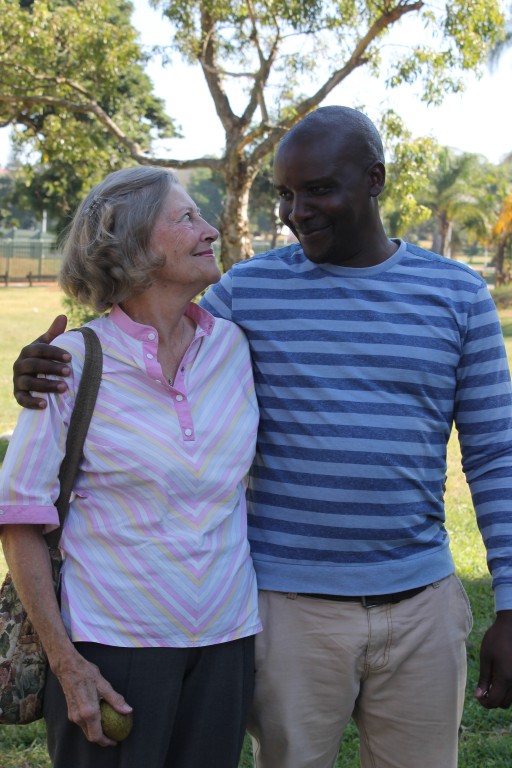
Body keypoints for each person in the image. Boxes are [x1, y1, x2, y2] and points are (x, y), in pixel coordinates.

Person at [11, 106, 512, 768]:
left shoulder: (457, 295)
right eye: (285, 193)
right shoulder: (246, 293)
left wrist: (509, 602)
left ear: (375, 180)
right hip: (285, 613)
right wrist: (41, 366)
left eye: (318, 190)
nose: (297, 212)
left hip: (421, 606)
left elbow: (495, 454)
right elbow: (141, 321)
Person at [1, 166, 261, 768]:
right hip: (111, 648)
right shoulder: (70, 362)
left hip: (226, 641)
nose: (211, 229)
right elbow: (19, 521)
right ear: (136, 245)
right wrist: (67, 664)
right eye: (187, 217)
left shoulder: (233, 347)